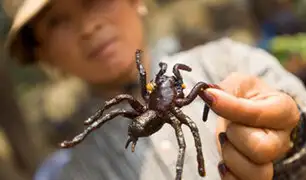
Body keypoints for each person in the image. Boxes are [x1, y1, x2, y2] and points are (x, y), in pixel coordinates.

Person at [5, 0, 306, 179]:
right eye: (57, 22)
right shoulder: (69, 173)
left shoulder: (230, 60)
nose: (88, 28)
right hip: (150, 115)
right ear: (44, 55)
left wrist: (293, 140)